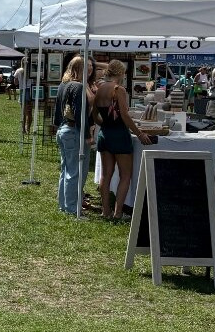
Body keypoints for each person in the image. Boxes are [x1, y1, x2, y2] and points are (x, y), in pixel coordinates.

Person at [94, 60, 152, 221]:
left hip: (105, 134)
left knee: (106, 175)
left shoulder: (99, 89)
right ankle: (118, 212)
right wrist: (139, 134)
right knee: (125, 175)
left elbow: (94, 116)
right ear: (121, 73)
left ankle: (105, 211)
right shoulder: (118, 89)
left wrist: (106, 124)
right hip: (120, 135)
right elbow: (125, 116)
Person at [53, 55, 96, 215]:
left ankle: (64, 205)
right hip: (74, 131)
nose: (90, 70)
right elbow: (80, 115)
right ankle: (72, 208)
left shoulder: (63, 85)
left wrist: (56, 126)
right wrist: (87, 135)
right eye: (87, 68)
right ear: (80, 69)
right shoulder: (78, 87)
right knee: (76, 172)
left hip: (63, 130)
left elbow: (57, 110)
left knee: (66, 170)